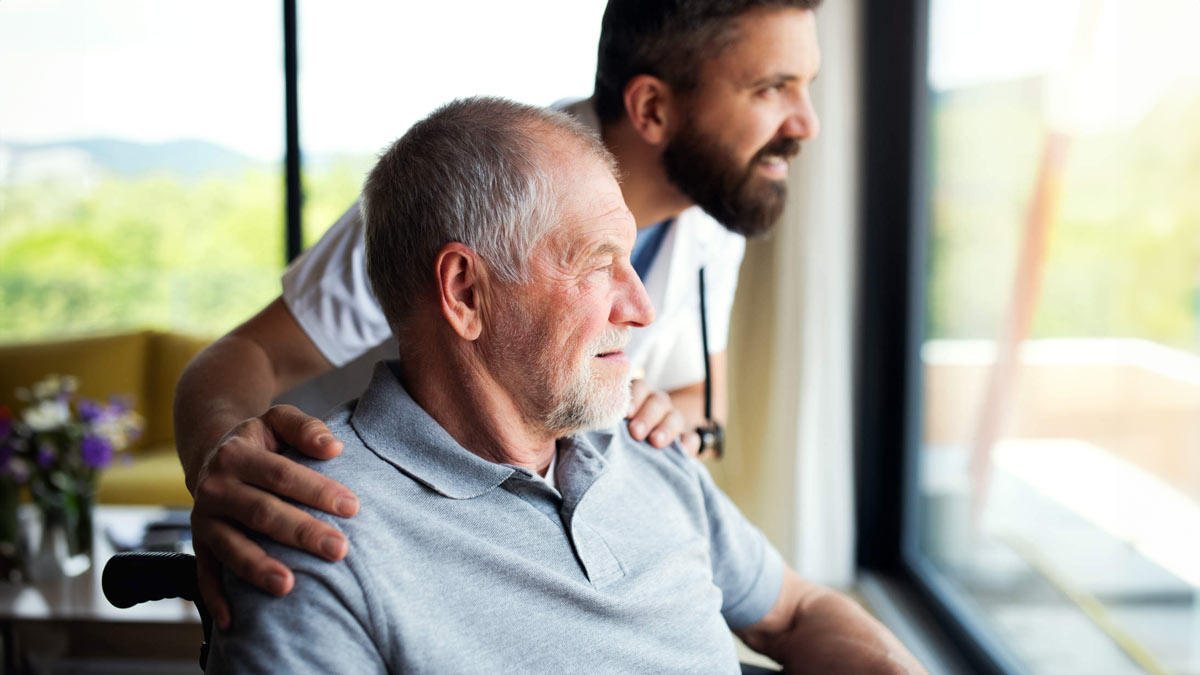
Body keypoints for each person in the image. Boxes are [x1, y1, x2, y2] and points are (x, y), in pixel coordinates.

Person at [206, 96, 921, 675]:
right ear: (464, 292)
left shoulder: (646, 442)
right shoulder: (312, 533)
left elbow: (794, 610)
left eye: (632, 259)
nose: (639, 308)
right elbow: (232, 362)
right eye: (598, 263)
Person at [178, 0, 823, 630]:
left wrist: (655, 415)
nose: (806, 123)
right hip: (372, 541)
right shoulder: (470, 197)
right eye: (773, 88)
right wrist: (223, 469)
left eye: (807, 86)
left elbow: (703, 401)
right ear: (652, 107)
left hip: (527, 536)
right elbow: (241, 358)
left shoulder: (712, 219)